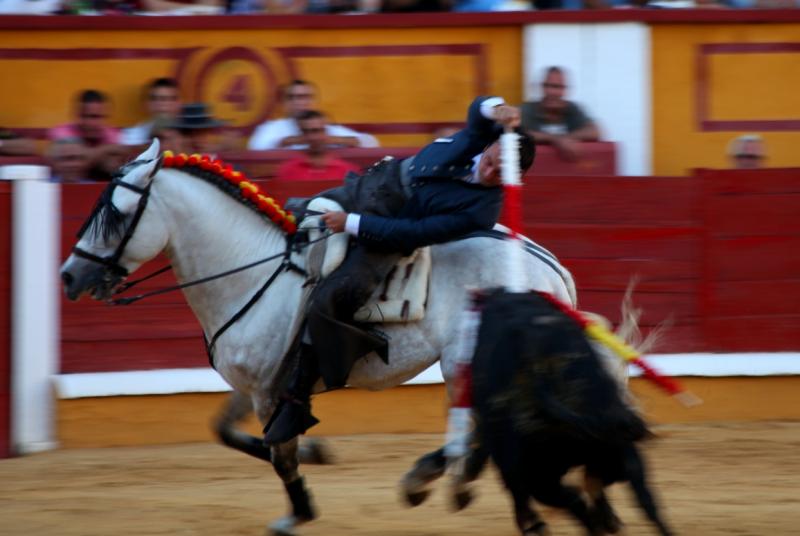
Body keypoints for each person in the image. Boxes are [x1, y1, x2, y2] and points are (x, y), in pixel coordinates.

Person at [264, 95, 535, 444]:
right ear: (493, 143)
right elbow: (477, 108)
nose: (490, 170)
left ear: (517, 177)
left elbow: (414, 233)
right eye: (493, 159)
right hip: (372, 185)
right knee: (289, 219)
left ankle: (297, 399)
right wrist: (496, 108)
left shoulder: (481, 211)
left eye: (500, 172)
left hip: (388, 231)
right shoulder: (478, 137)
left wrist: (351, 224)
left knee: (334, 297)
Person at [247, 79, 378, 151]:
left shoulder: (328, 129)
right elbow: (256, 147)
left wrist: (334, 140)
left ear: (314, 101)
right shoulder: (273, 128)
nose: (298, 102)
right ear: (285, 103)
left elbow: (371, 143)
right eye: (292, 98)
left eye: (304, 97)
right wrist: (291, 141)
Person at [521, 66, 600, 162]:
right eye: (547, 86)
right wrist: (556, 140)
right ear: (541, 87)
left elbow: (595, 131)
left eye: (558, 87)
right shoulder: (527, 109)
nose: (552, 92)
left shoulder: (572, 109)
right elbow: (518, 132)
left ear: (565, 90)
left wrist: (565, 139)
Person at [49, 89, 125, 181]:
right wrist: (106, 150)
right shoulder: (61, 131)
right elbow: (73, 161)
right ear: (76, 115)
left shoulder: (111, 132)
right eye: (85, 116)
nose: (91, 123)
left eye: (97, 117)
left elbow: (114, 164)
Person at [275, 110, 360, 181]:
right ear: (301, 135)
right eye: (306, 131)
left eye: (317, 131)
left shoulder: (347, 170)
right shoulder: (289, 170)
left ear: (327, 132)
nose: (312, 137)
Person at [122, 77, 182, 146]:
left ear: (179, 103)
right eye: (154, 98)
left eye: (170, 99)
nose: (162, 104)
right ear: (145, 103)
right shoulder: (131, 135)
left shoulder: (193, 135)